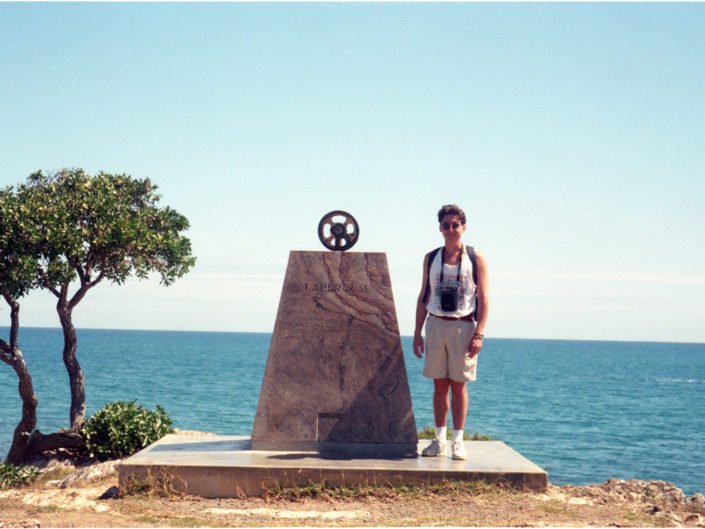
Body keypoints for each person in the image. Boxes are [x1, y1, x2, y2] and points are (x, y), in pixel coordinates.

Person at [413, 204, 489, 460]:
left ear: (463, 227)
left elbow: (485, 297)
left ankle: (458, 441)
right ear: (440, 228)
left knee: (459, 386)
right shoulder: (431, 258)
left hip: (463, 326)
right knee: (439, 386)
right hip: (435, 325)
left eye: (455, 225)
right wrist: (416, 332)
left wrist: (479, 333)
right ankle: (439, 440)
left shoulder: (475, 258)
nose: (450, 230)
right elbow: (424, 295)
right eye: (445, 225)